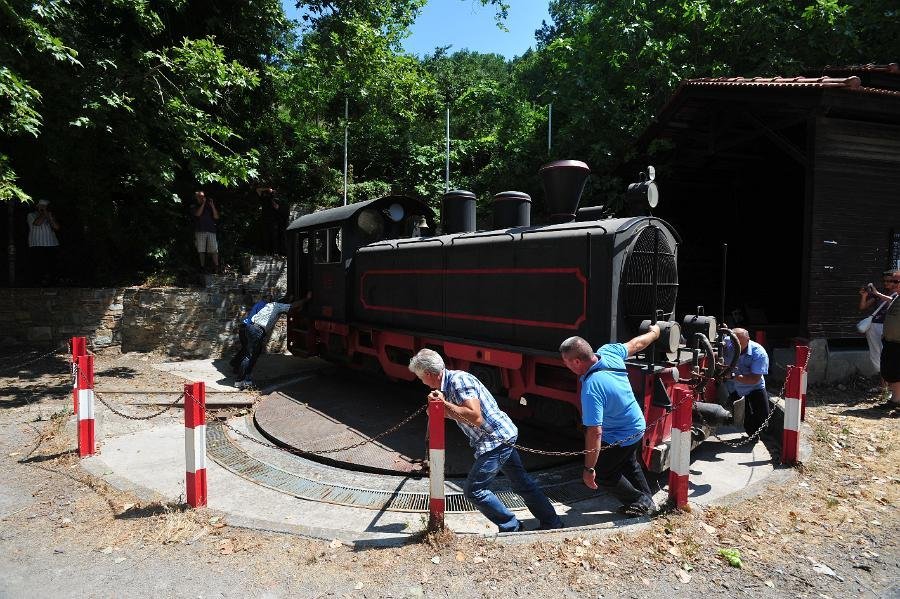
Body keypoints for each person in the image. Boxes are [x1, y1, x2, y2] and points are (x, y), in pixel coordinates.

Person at [408, 349, 564, 533]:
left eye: (420, 377)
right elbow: (458, 414)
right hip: (499, 436)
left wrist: (444, 405)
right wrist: (436, 409)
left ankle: (512, 527)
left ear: (428, 374)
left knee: (474, 490)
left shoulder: (459, 381)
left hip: (495, 440)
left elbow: (475, 417)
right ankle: (551, 522)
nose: (422, 381)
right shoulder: (447, 385)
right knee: (522, 483)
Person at [559, 327, 660, 517]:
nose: (566, 366)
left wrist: (589, 469)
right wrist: (655, 333)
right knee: (629, 464)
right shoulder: (608, 352)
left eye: (566, 362)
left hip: (621, 434)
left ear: (577, 361)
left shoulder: (591, 388)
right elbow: (637, 344)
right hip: (637, 424)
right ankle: (648, 504)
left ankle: (639, 501)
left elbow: (595, 432)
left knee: (604, 472)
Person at [236, 292, 311, 389]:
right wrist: (306, 299)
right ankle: (239, 381)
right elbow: (293, 306)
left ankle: (246, 379)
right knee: (250, 356)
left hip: (251, 328)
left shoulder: (269, 305)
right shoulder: (277, 306)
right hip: (257, 330)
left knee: (254, 355)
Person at [722, 328, 771, 439]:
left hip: (754, 387)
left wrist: (733, 376)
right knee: (745, 416)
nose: (736, 345)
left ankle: (760, 432)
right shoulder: (727, 342)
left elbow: (755, 379)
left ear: (748, 339)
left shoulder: (759, 353)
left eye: (740, 342)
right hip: (734, 387)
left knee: (763, 416)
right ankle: (752, 436)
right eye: (734, 341)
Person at [858, 271, 899, 377]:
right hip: (874, 325)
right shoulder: (879, 294)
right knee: (876, 354)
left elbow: (892, 300)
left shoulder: (896, 295)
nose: (886, 283)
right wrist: (864, 295)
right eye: (884, 281)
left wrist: (877, 293)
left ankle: (888, 386)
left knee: (886, 355)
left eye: (890, 281)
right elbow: (863, 307)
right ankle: (883, 385)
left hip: (887, 328)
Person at [229, 291, 272, 374]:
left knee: (246, 348)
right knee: (250, 350)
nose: (271, 298)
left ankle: (234, 363)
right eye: (270, 297)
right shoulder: (263, 306)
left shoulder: (260, 304)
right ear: (266, 297)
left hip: (244, 328)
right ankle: (237, 368)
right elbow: (261, 320)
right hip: (247, 329)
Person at [26, 199, 60, 286]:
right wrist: (44, 213)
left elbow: (56, 227)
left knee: (51, 266)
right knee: (38, 267)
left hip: (51, 244)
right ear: (37, 206)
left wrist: (50, 217)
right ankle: (37, 284)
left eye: (45, 206)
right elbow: (37, 223)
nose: (43, 207)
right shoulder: (31, 215)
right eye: (41, 206)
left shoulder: (50, 215)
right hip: (37, 244)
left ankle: (52, 284)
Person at [879, 280, 900, 409]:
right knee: (890, 370)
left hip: (898, 342)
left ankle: (896, 400)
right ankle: (895, 399)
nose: (893, 284)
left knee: (896, 371)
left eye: (896, 281)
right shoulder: (896, 297)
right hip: (890, 341)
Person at [192, 190, 219, 272]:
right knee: (201, 250)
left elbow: (216, 217)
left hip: (211, 230)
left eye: (203, 196)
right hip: (200, 231)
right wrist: (203, 204)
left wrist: (212, 205)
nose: (202, 198)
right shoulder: (194, 206)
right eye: (200, 196)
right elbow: (198, 214)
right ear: (196, 197)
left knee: (214, 250)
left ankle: (216, 267)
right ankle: (202, 267)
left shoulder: (209, 206)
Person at [256, 186, 288, 256]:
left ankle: (275, 252)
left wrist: (273, 201)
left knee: (274, 237)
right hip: (265, 220)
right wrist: (267, 189)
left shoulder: (279, 200)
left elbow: (277, 208)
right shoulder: (265, 198)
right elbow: (258, 190)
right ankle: (266, 251)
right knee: (265, 236)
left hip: (274, 221)